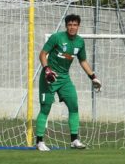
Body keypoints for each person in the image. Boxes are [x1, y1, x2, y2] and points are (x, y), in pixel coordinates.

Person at [36, 14, 102, 151]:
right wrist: (47, 69)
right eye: (70, 25)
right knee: (46, 108)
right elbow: (42, 54)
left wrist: (93, 77)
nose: (72, 27)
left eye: (75, 25)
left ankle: (74, 140)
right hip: (50, 77)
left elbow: (83, 61)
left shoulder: (80, 42)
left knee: (73, 105)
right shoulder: (57, 37)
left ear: (78, 26)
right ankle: (39, 142)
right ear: (66, 26)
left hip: (64, 79)